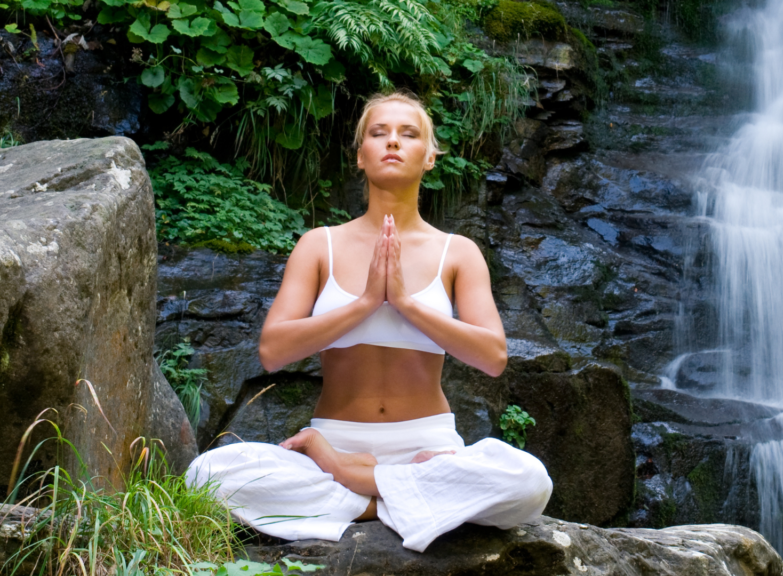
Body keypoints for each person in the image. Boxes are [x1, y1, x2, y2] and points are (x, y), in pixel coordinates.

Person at [186, 92, 553, 552]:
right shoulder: (320, 245)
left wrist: (403, 301)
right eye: (378, 134)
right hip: (334, 443)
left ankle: (357, 488)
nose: (392, 142)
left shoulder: (457, 252)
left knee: (530, 480)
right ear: (361, 156)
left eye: (409, 134)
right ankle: (400, 498)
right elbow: (273, 351)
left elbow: (494, 357)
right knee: (208, 474)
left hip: (428, 451)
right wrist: (363, 303)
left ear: (430, 157)